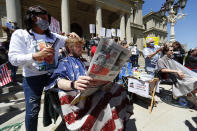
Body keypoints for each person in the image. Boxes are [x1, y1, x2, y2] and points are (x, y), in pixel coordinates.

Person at [8, 6, 78, 131]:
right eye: (43, 18)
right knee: (33, 111)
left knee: (66, 102)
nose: (46, 21)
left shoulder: (53, 36)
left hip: (54, 76)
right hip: (32, 78)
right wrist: (35, 56)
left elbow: (72, 43)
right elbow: (13, 59)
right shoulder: (21, 35)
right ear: (32, 18)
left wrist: (74, 38)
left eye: (47, 19)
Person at [46, 37, 133, 130]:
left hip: (95, 90)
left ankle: (119, 124)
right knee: (108, 103)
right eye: (78, 47)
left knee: (119, 89)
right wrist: (73, 84)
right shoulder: (64, 62)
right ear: (70, 48)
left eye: (81, 46)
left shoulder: (84, 61)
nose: (81, 49)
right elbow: (59, 81)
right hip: (80, 98)